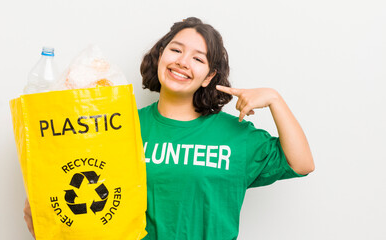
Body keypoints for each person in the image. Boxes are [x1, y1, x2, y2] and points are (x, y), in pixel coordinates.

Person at [23, 17, 314, 239]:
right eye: (175, 50)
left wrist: (275, 99)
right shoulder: (120, 127)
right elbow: (71, 183)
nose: (182, 62)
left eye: (198, 58)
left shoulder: (235, 136)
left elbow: (301, 164)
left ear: (208, 76)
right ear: (160, 56)